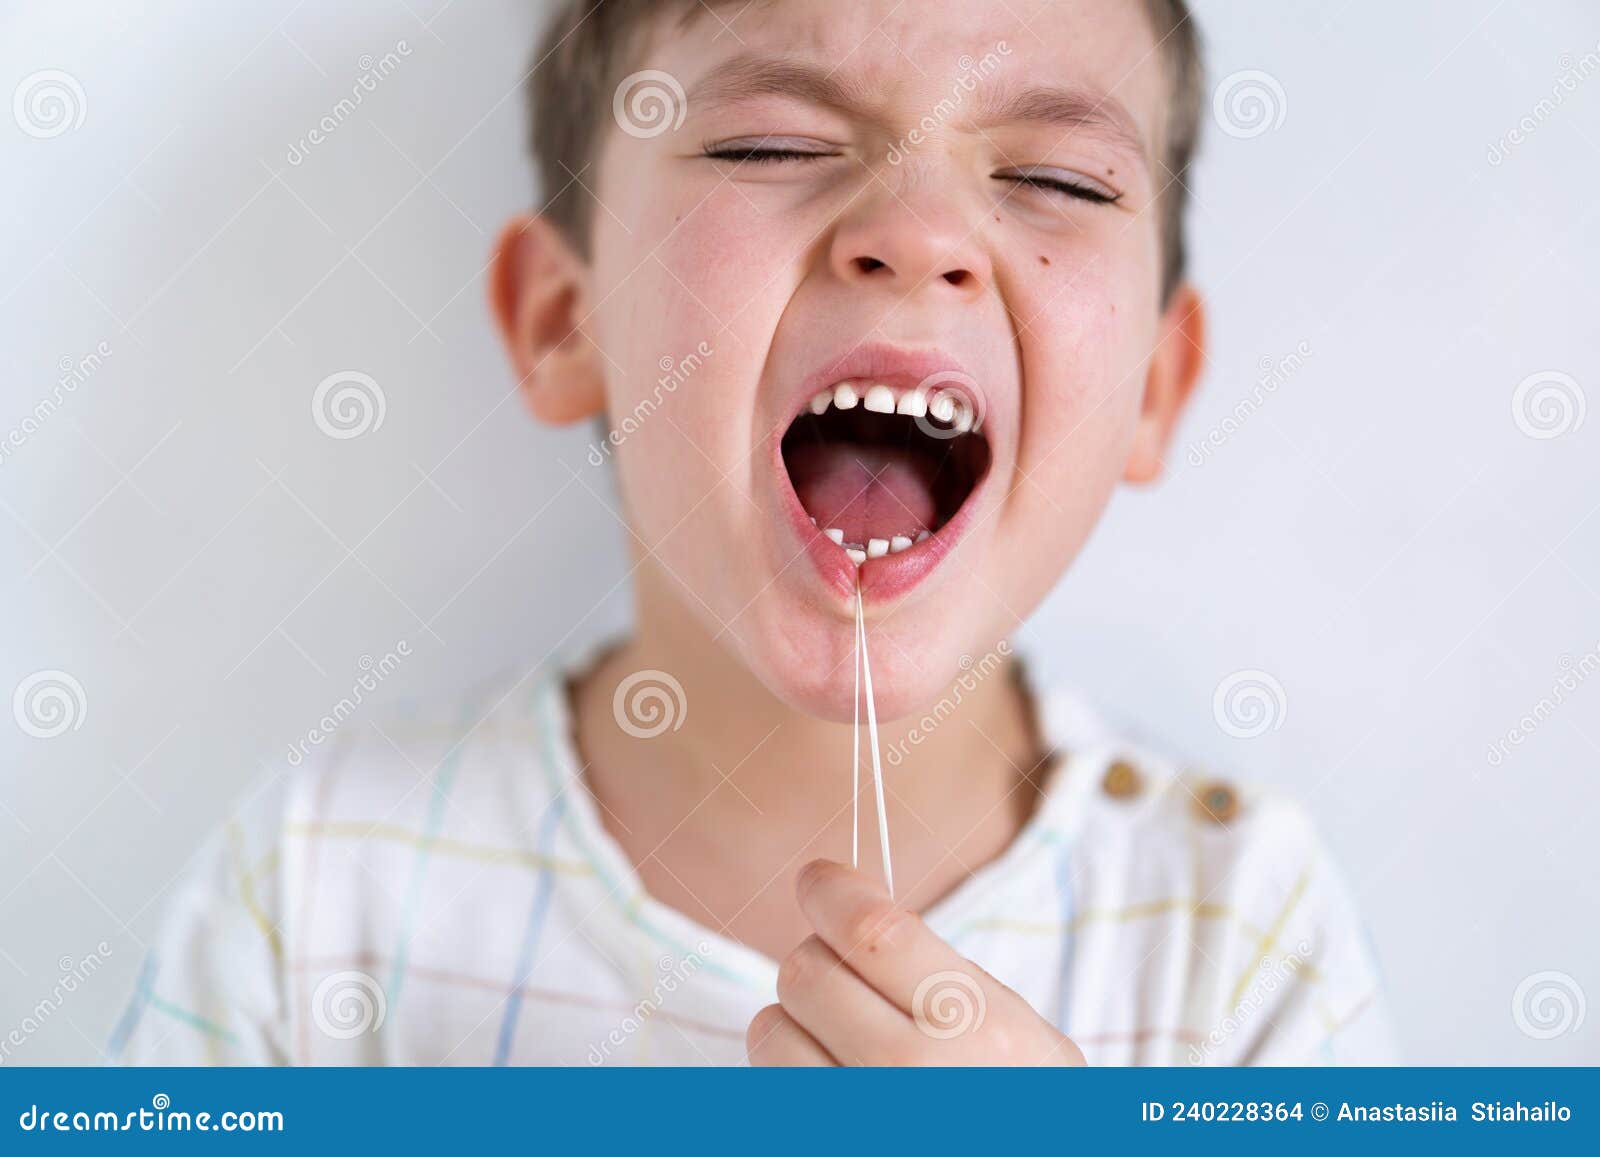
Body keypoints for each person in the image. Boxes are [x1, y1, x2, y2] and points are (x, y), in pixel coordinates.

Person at [112, 0, 1394, 1066]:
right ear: (566, 322)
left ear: (1153, 392)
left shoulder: (1236, 929)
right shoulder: (322, 887)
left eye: (1053, 178)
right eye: (771, 147)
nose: (919, 236)